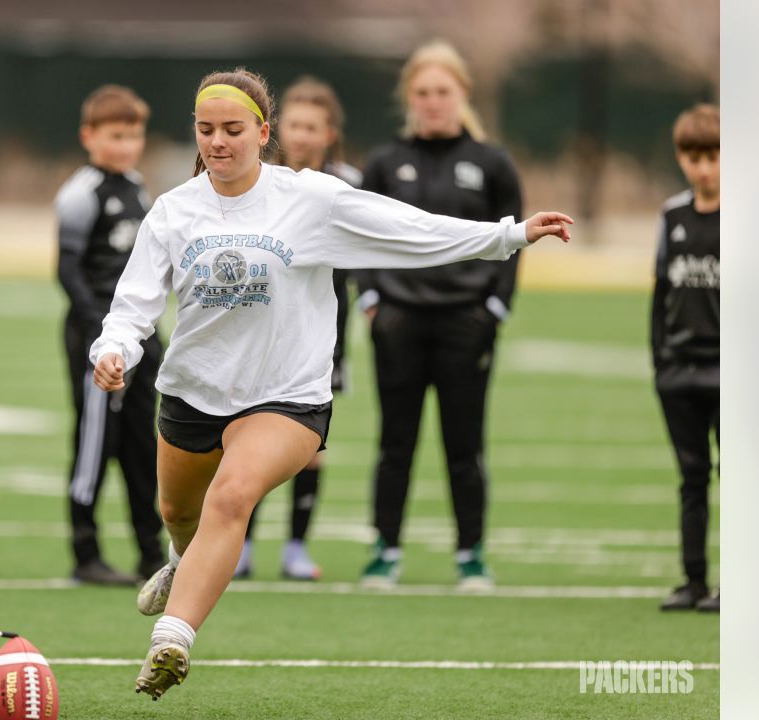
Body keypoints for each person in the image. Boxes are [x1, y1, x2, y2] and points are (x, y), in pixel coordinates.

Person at [86, 68, 572, 700]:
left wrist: (507, 235)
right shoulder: (174, 212)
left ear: (264, 133)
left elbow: (410, 229)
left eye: (233, 130)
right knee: (178, 512)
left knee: (231, 498)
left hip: (287, 397)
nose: (218, 142)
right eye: (206, 131)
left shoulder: (310, 198)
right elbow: (133, 305)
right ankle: (183, 562)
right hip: (193, 392)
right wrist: (114, 349)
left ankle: (172, 640)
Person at [352, 40, 524, 591]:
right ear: (409, 97)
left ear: (462, 94)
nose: (432, 102)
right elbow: (359, 236)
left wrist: (493, 308)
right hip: (399, 322)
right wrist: (372, 301)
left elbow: (512, 240)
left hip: (465, 324)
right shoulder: (383, 162)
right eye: (422, 92)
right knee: (395, 441)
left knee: (464, 442)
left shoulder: (492, 163)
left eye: (442, 92)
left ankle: (471, 554)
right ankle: (386, 550)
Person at [234, 76, 362, 581]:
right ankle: (240, 545)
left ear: (330, 132)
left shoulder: (349, 182)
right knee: (246, 439)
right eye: (295, 123)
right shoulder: (259, 180)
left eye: (313, 126)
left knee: (309, 447)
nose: (303, 134)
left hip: (323, 334)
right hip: (261, 330)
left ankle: (295, 548)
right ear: (277, 128)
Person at [55, 85, 166, 586]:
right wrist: (104, 330)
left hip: (141, 336)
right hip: (96, 337)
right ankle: (86, 553)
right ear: (89, 136)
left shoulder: (137, 187)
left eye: (133, 135)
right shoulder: (81, 193)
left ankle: (151, 551)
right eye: (115, 135)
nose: (125, 145)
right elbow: (68, 269)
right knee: (96, 443)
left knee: (145, 442)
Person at [653, 104, 720, 613]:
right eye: (694, 157)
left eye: (715, 156)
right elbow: (660, 294)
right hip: (680, 372)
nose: (704, 168)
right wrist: (661, 363)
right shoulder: (672, 216)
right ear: (681, 158)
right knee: (691, 477)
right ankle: (693, 581)